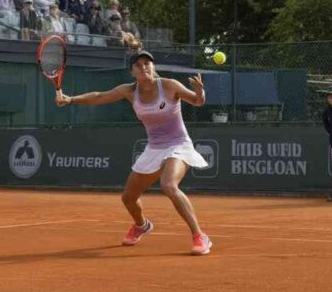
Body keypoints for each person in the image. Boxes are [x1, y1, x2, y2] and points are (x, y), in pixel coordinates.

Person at [54, 50, 213, 255]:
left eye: (147, 63)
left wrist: (200, 92)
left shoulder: (169, 85)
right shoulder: (129, 91)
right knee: (128, 198)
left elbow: (198, 102)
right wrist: (70, 99)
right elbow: (100, 97)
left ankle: (200, 236)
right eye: (138, 65)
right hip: (154, 147)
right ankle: (141, 225)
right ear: (132, 72)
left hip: (178, 145)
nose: (144, 67)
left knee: (169, 184)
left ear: (153, 68)